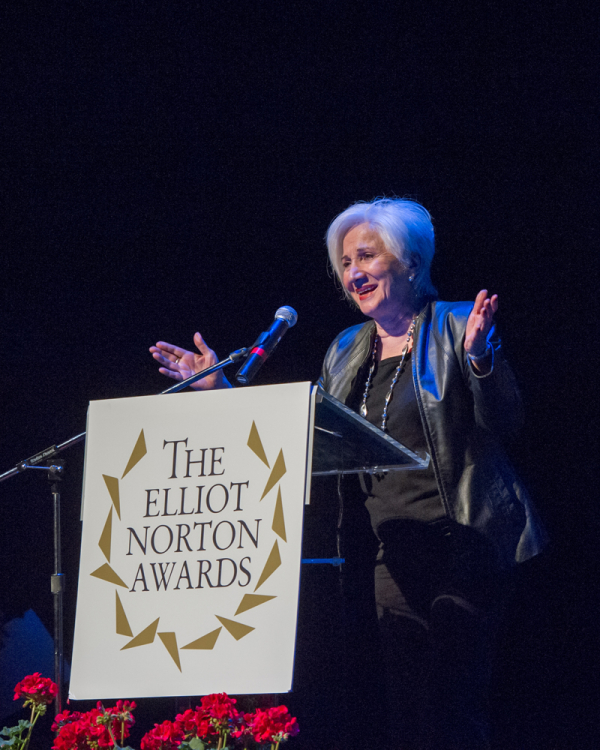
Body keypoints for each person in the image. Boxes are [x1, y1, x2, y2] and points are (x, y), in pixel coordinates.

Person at [150, 198, 547, 749]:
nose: (353, 272)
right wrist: (222, 393)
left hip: (466, 545)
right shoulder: (345, 348)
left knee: (449, 711)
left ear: (408, 260)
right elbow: (302, 435)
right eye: (344, 262)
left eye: (366, 255)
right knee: (405, 712)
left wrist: (480, 359)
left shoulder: (458, 323)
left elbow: (507, 421)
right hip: (390, 553)